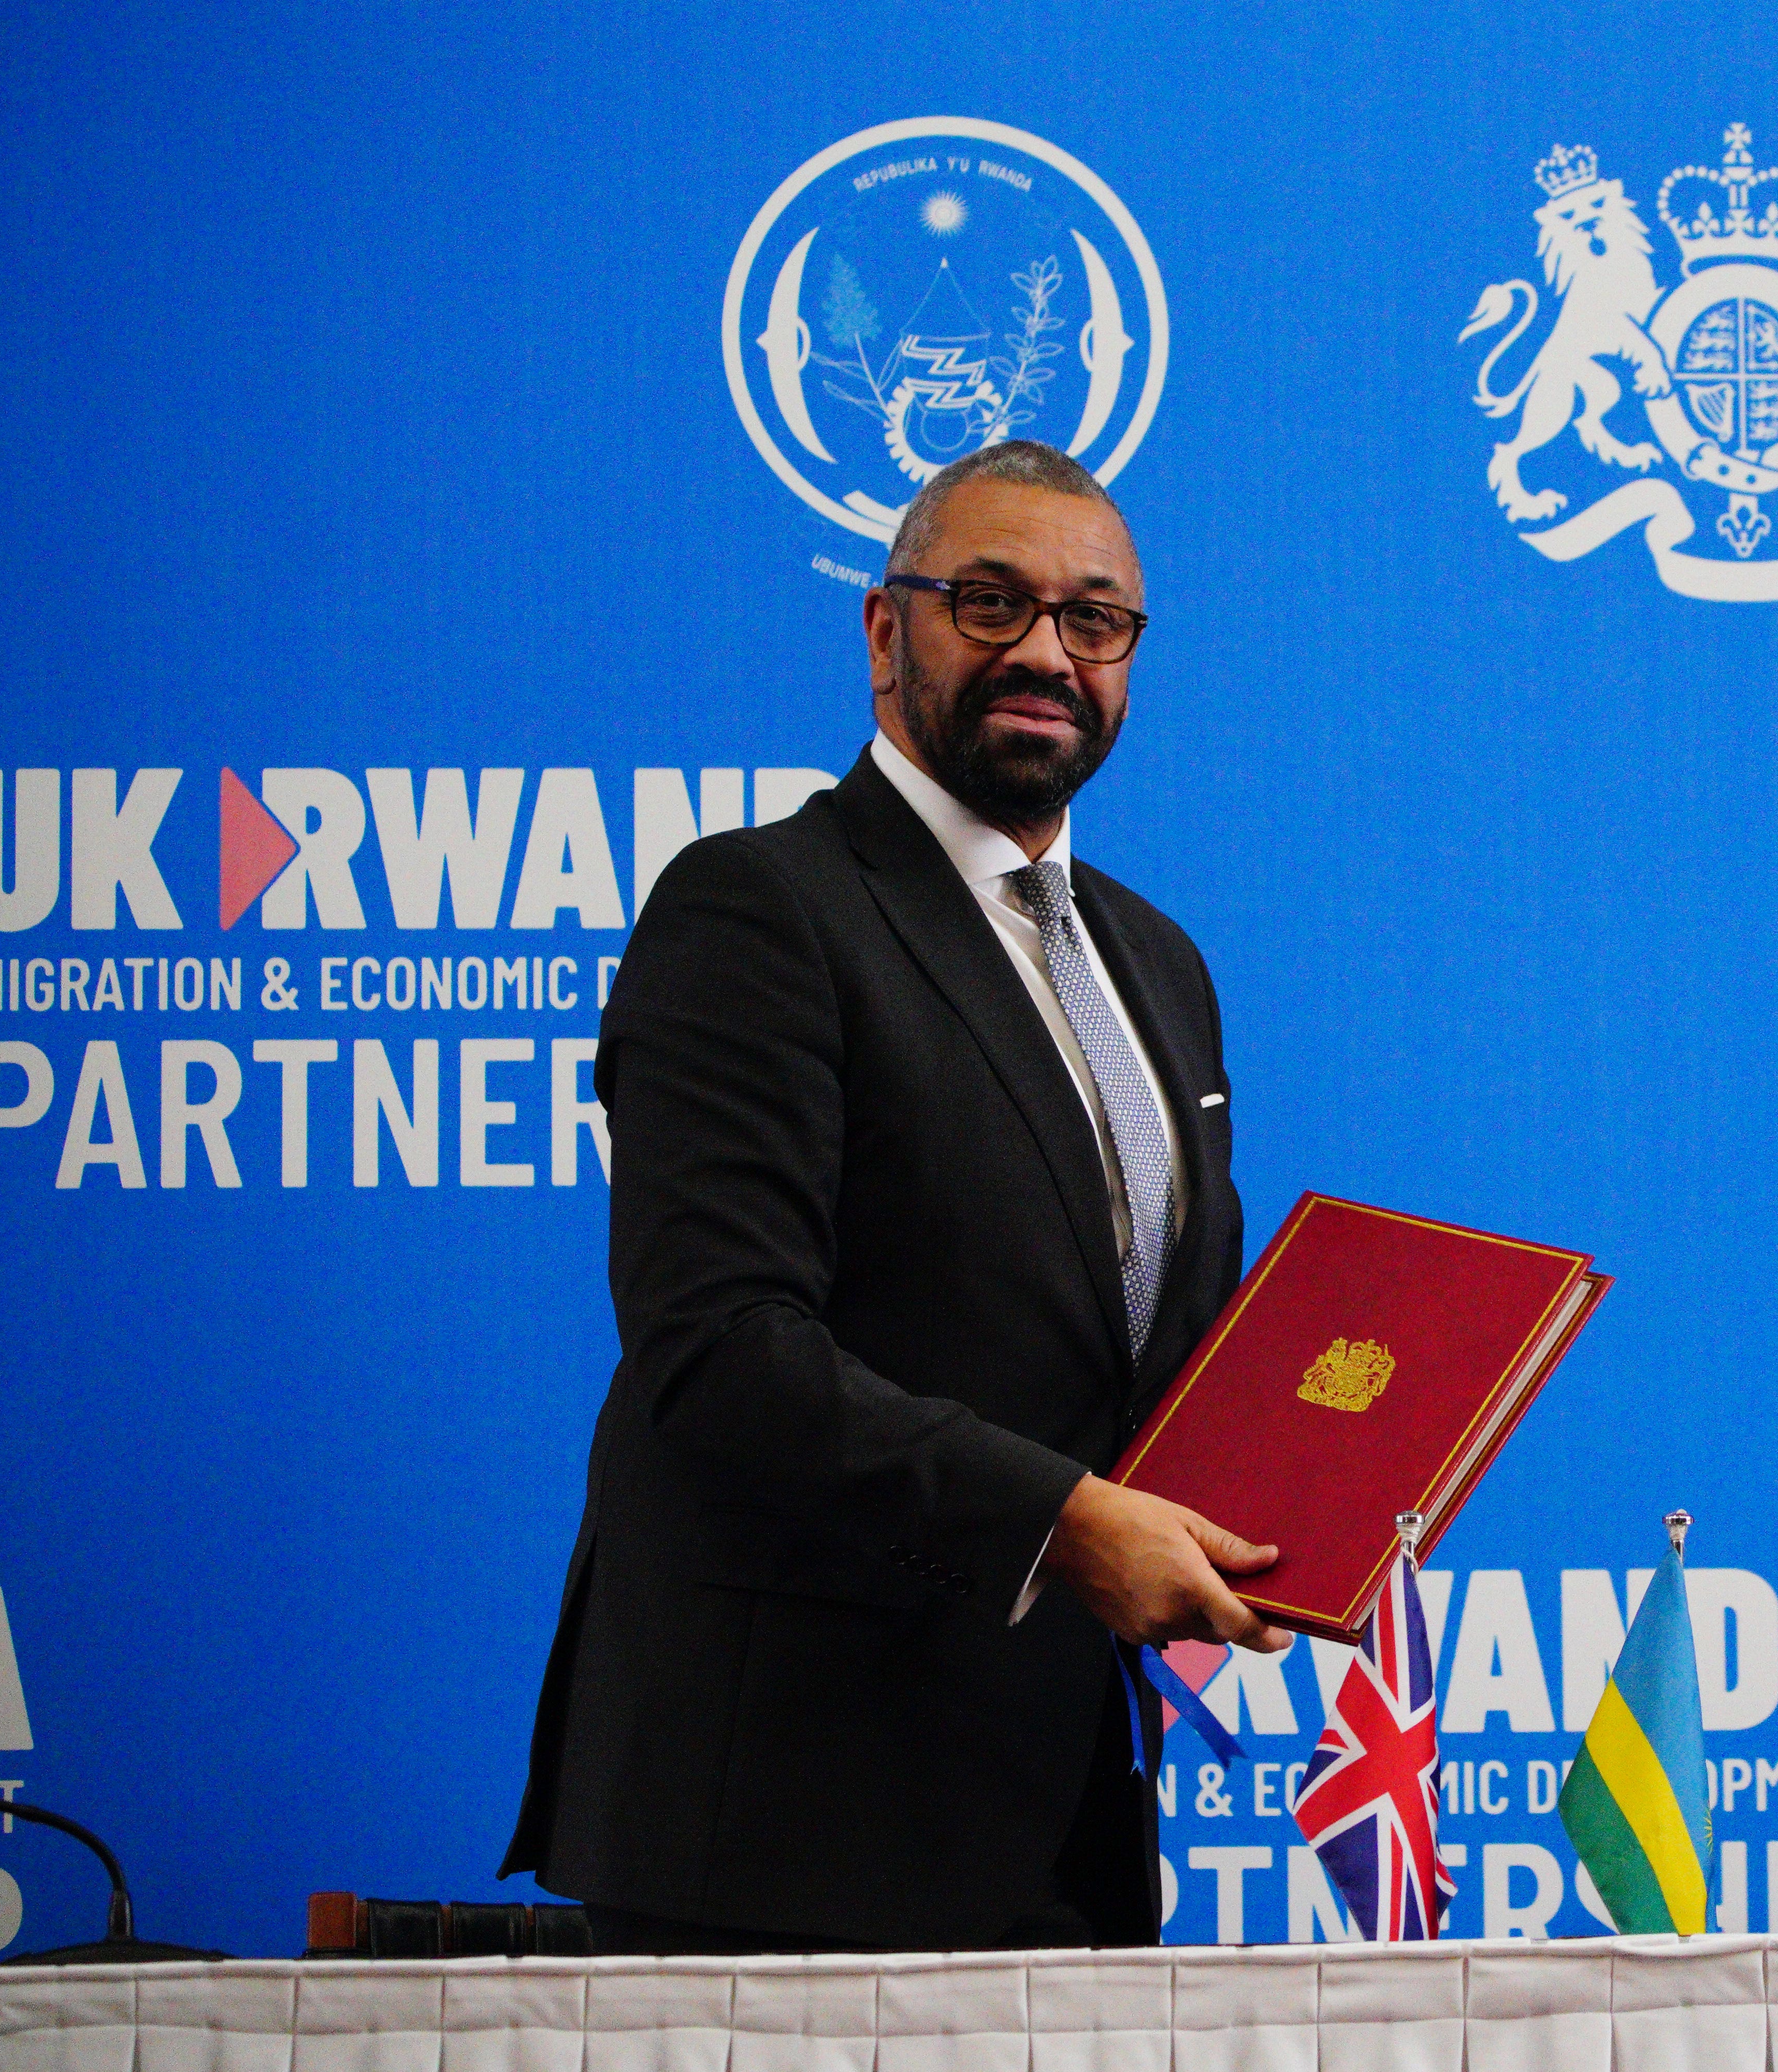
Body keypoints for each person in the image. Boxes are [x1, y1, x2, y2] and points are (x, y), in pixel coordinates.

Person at [502, 441, 1290, 1954]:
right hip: (781, 1827)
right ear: (885, 631)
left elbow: (1151, 1354)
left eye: (1093, 620)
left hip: (1060, 1806)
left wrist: (1311, 1496)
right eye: (988, 603)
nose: (1044, 651)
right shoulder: (759, 908)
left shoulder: (1158, 963)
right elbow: (722, 1350)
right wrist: (1066, 1523)